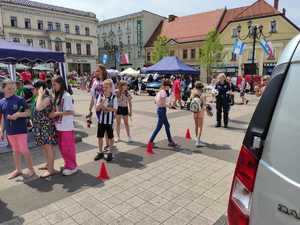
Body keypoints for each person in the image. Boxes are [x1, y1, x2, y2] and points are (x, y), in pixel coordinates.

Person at [0, 79, 35, 179]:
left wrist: (18, 114)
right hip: (10, 132)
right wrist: (1, 131)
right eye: (9, 88)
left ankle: (31, 169)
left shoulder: (20, 99)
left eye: (13, 88)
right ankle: (18, 170)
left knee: (24, 150)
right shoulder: (1, 102)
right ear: (3, 89)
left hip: (21, 130)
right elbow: (2, 117)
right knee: (15, 151)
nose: (11, 90)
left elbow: (28, 113)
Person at [50, 76, 78, 176]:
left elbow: (70, 111)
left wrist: (56, 114)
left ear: (60, 84)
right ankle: (68, 164)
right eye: (52, 85)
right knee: (62, 147)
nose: (53, 87)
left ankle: (72, 166)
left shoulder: (67, 96)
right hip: (59, 126)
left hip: (66, 127)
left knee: (67, 148)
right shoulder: (57, 95)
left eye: (54, 85)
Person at [32, 80, 57, 178]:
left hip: (45, 127)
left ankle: (51, 170)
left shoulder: (46, 98)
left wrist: (40, 94)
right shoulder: (38, 98)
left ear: (40, 89)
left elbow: (38, 108)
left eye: (34, 88)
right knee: (44, 147)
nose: (32, 90)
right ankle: (48, 165)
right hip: (39, 127)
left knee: (48, 147)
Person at [148, 79, 177, 147]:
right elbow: (163, 103)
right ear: (165, 86)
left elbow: (155, 101)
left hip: (160, 109)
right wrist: (170, 106)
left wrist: (164, 104)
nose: (169, 87)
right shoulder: (163, 92)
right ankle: (150, 141)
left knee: (167, 125)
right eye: (169, 86)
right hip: (162, 110)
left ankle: (170, 141)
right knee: (159, 127)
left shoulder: (160, 91)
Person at [94, 79, 118, 161]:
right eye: (103, 87)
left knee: (110, 137)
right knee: (100, 137)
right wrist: (102, 102)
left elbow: (115, 109)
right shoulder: (100, 96)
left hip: (109, 121)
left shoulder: (114, 97)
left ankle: (110, 153)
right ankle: (100, 152)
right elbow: (97, 108)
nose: (104, 89)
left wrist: (106, 108)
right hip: (101, 121)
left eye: (106, 87)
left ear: (111, 88)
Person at [190, 81, 206, 147]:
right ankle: (198, 141)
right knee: (200, 127)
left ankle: (196, 137)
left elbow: (190, 100)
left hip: (194, 111)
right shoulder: (202, 94)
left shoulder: (193, 93)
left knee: (196, 125)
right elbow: (204, 104)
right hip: (201, 111)